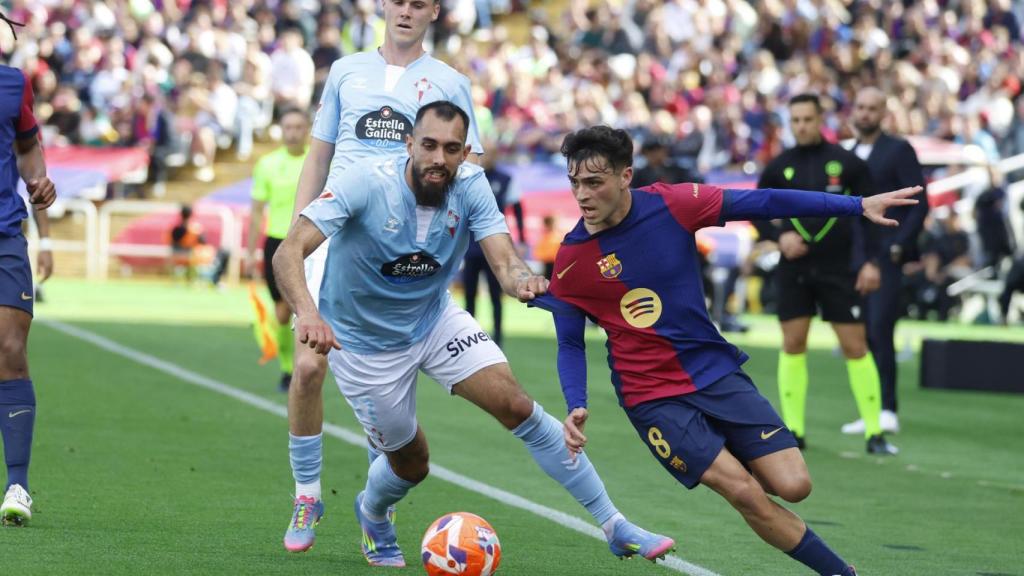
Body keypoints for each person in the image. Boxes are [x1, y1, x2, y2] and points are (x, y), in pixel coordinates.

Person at [273, 102, 674, 567]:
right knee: (412, 463)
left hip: (434, 317)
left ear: (465, 153)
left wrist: (523, 279)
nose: (437, 159)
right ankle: (372, 510)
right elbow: (288, 253)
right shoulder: (364, 181)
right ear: (409, 145)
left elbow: (504, 262)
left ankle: (614, 525)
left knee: (517, 405)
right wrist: (307, 314)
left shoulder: (470, 185)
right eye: (427, 146)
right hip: (364, 344)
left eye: (449, 149)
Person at [530, 125, 921, 576]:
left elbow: (766, 201)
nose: (582, 194)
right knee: (744, 492)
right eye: (575, 182)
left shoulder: (675, 204)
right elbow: (569, 340)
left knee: (794, 485)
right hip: (652, 395)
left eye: (594, 182)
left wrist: (857, 206)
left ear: (625, 176)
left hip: (713, 368)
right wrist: (576, 404)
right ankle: (840, 572)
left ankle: (741, 469)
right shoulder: (573, 259)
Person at [280, 0, 502, 553]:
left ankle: (378, 516)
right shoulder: (345, 71)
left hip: (398, 243)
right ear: (384, 5)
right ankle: (308, 493)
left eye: (419, 3)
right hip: (334, 232)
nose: (406, 10)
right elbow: (320, 153)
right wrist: (298, 231)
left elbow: (466, 167)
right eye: (398, 0)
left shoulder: (450, 81)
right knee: (308, 365)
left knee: (390, 387)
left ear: (434, 12)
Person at [757, 94, 896, 455]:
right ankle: (795, 431)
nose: (801, 125)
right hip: (794, 270)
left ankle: (875, 432)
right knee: (793, 342)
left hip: (839, 269)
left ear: (821, 120)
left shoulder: (847, 164)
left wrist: (871, 262)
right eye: (796, 120)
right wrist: (778, 236)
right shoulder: (778, 166)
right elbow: (756, 213)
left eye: (808, 118)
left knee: (855, 345)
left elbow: (873, 216)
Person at [841, 87, 928, 436]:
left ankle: (887, 407)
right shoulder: (846, 154)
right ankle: (870, 407)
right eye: (860, 106)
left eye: (871, 108)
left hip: (884, 254)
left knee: (880, 328)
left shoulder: (897, 149)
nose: (864, 114)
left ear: (883, 113)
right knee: (859, 334)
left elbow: (918, 202)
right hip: (851, 257)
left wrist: (899, 246)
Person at [0, 61, 57, 526]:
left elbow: (28, 150)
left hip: (4, 235)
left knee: (11, 349)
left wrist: (40, 189)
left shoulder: (14, 81)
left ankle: (17, 484)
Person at [246, 108, 310, 392]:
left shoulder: (318, 162)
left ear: (307, 129)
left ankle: (305, 366)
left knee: (311, 308)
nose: (293, 132)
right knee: (283, 313)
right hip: (277, 243)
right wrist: (250, 252)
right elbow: (258, 211)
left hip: (311, 242)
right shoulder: (268, 164)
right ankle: (287, 366)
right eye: (288, 127)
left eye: (298, 127)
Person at [462, 149, 523, 347]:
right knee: (469, 295)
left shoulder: (505, 179)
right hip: (471, 247)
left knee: (496, 295)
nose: (487, 158)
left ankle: (498, 336)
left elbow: (518, 209)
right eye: (484, 154)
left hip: (495, 248)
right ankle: (468, 336)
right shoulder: (470, 178)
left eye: (490, 154)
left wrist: (521, 239)